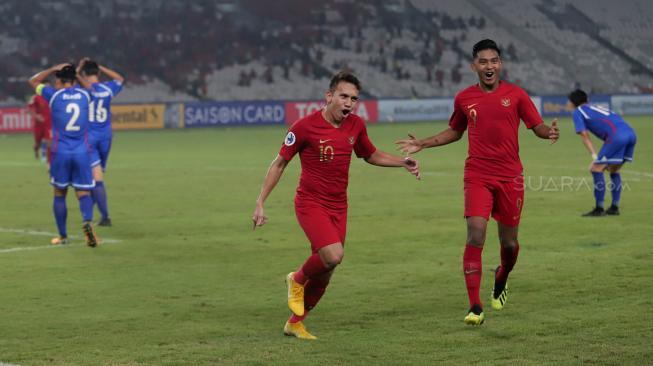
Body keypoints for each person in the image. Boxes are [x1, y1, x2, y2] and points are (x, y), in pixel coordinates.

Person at [396, 39, 559, 326]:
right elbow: (454, 131)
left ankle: (502, 276)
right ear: (474, 66)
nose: (489, 66)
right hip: (478, 175)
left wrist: (549, 133)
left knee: (509, 244)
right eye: (483, 62)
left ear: (500, 64)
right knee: (475, 233)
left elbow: (537, 126)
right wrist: (423, 142)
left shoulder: (517, 95)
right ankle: (475, 306)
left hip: (510, 177)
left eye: (493, 60)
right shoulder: (464, 98)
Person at [252, 71, 421, 340]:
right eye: (343, 96)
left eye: (354, 99)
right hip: (310, 203)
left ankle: (295, 323)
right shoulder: (304, 127)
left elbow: (371, 154)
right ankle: (295, 279)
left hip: (338, 206)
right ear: (329, 96)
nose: (349, 103)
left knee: (326, 271)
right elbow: (280, 163)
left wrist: (402, 162)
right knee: (333, 255)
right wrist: (260, 202)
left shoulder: (356, 125)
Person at [28, 63, 100, 247]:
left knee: (59, 193)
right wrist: (78, 75)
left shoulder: (53, 95)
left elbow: (33, 81)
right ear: (75, 79)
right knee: (83, 191)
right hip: (82, 152)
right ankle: (87, 223)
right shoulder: (86, 95)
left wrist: (52, 68)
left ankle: (63, 236)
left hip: (60, 152)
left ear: (59, 80)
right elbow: (91, 87)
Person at [567, 89, 637, 216]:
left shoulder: (578, 112)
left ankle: (599, 209)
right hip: (631, 134)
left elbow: (584, 134)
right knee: (614, 170)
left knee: (595, 169)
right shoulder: (596, 107)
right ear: (586, 100)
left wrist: (594, 156)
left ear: (572, 103)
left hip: (617, 136)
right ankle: (614, 207)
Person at [77, 58, 124, 227]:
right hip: (106, 137)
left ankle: (105, 217)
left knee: (96, 179)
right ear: (97, 73)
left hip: (90, 138)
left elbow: (76, 79)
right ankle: (95, 211)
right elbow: (120, 79)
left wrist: (79, 68)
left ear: (84, 74)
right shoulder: (108, 89)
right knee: (96, 177)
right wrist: (101, 66)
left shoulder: (83, 89)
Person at [27, 81, 52, 164]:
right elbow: (30, 109)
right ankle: (36, 149)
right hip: (39, 125)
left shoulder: (52, 97)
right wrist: (37, 116)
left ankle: (46, 157)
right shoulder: (36, 97)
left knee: (49, 141)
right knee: (38, 143)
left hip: (48, 123)